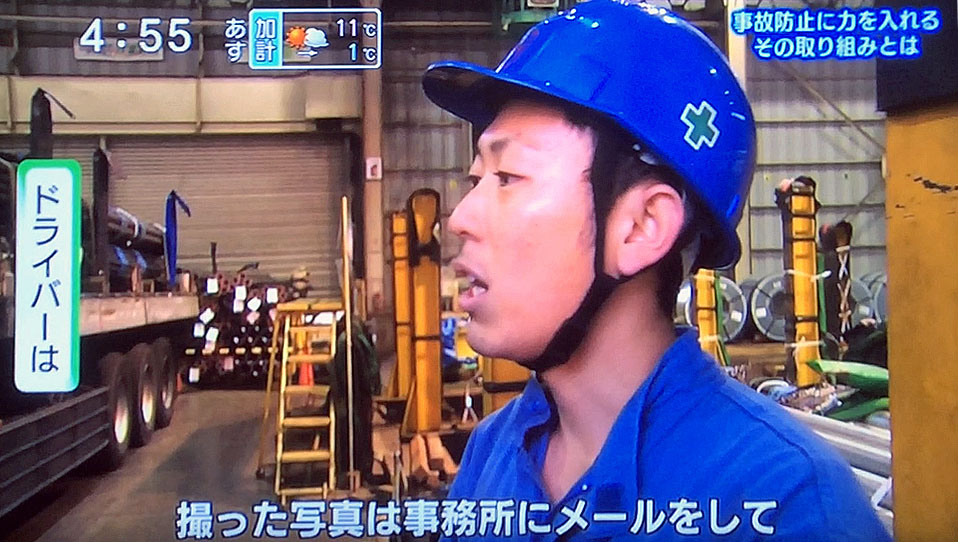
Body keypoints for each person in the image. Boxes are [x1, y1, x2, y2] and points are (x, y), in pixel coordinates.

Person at [421, 1, 891, 540]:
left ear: (643, 226)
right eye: (476, 178)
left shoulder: (787, 505)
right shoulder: (493, 452)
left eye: (507, 177)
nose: (461, 218)